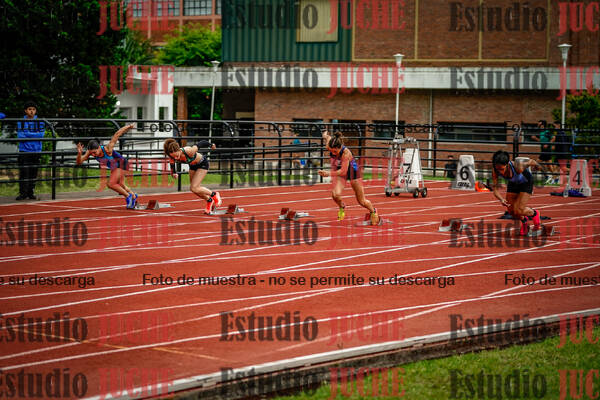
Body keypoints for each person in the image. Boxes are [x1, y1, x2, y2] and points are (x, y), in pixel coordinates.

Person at [318, 130, 380, 225]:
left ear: (340, 147)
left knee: (361, 201)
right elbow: (328, 138)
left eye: (335, 151)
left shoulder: (346, 153)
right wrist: (325, 134)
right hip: (341, 173)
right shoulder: (330, 145)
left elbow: (343, 171)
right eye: (331, 150)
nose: (333, 153)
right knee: (335, 194)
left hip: (353, 173)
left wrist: (328, 173)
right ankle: (342, 206)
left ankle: (373, 211)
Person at [76, 123, 138, 208]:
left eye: (94, 152)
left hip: (122, 163)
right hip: (114, 167)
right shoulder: (90, 152)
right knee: (121, 185)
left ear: (99, 147)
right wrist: (79, 154)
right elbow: (79, 162)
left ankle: (128, 196)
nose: (93, 155)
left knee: (111, 184)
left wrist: (129, 126)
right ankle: (133, 196)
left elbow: (117, 134)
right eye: (91, 153)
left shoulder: (108, 149)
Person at [491, 150, 543, 236]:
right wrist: (501, 199)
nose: (500, 172)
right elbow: (495, 190)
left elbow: (531, 161)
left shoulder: (517, 166)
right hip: (513, 183)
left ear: (507, 164)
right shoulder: (495, 170)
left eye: (502, 169)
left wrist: (538, 166)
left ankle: (535, 213)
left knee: (518, 210)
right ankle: (524, 222)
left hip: (526, 183)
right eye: (498, 169)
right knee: (511, 211)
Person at [163, 138, 221, 214]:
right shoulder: (172, 157)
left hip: (202, 164)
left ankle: (214, 194)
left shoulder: (189, 151)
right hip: (192, 166)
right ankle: (209, 200)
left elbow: (201, 143)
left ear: (179, 150)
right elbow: (172, 168)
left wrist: (211, 145)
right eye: (174, 157)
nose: (176, 158)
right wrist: (174, 173)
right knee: (193, 189)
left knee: (194, 187)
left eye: (177, 156)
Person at [16, 101, 45, 200]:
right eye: (29, 109)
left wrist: (28, 134)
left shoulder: (40, 121)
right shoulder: (21, 122)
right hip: (24, 151)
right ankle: (23, 193)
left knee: (33, 173)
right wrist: (34, 135)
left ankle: (30, 192)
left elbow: (41, 135)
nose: (32, 111)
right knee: (24, 173)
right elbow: (21, 136)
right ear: (25, 111)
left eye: (33, 109)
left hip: (36, 151)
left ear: (35, 111)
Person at [530, 120, 555, 184]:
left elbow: (553, 138)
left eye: (539, 124)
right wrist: (535, 138)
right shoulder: (541, 132)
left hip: (547, 150)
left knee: (537, 163)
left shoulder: (547, 132)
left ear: (543, 125)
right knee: (548, 165)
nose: (538, 125)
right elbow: (541, 141)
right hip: (543, 150)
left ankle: (551, 177)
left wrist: (547, 144)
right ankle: (551, 177)